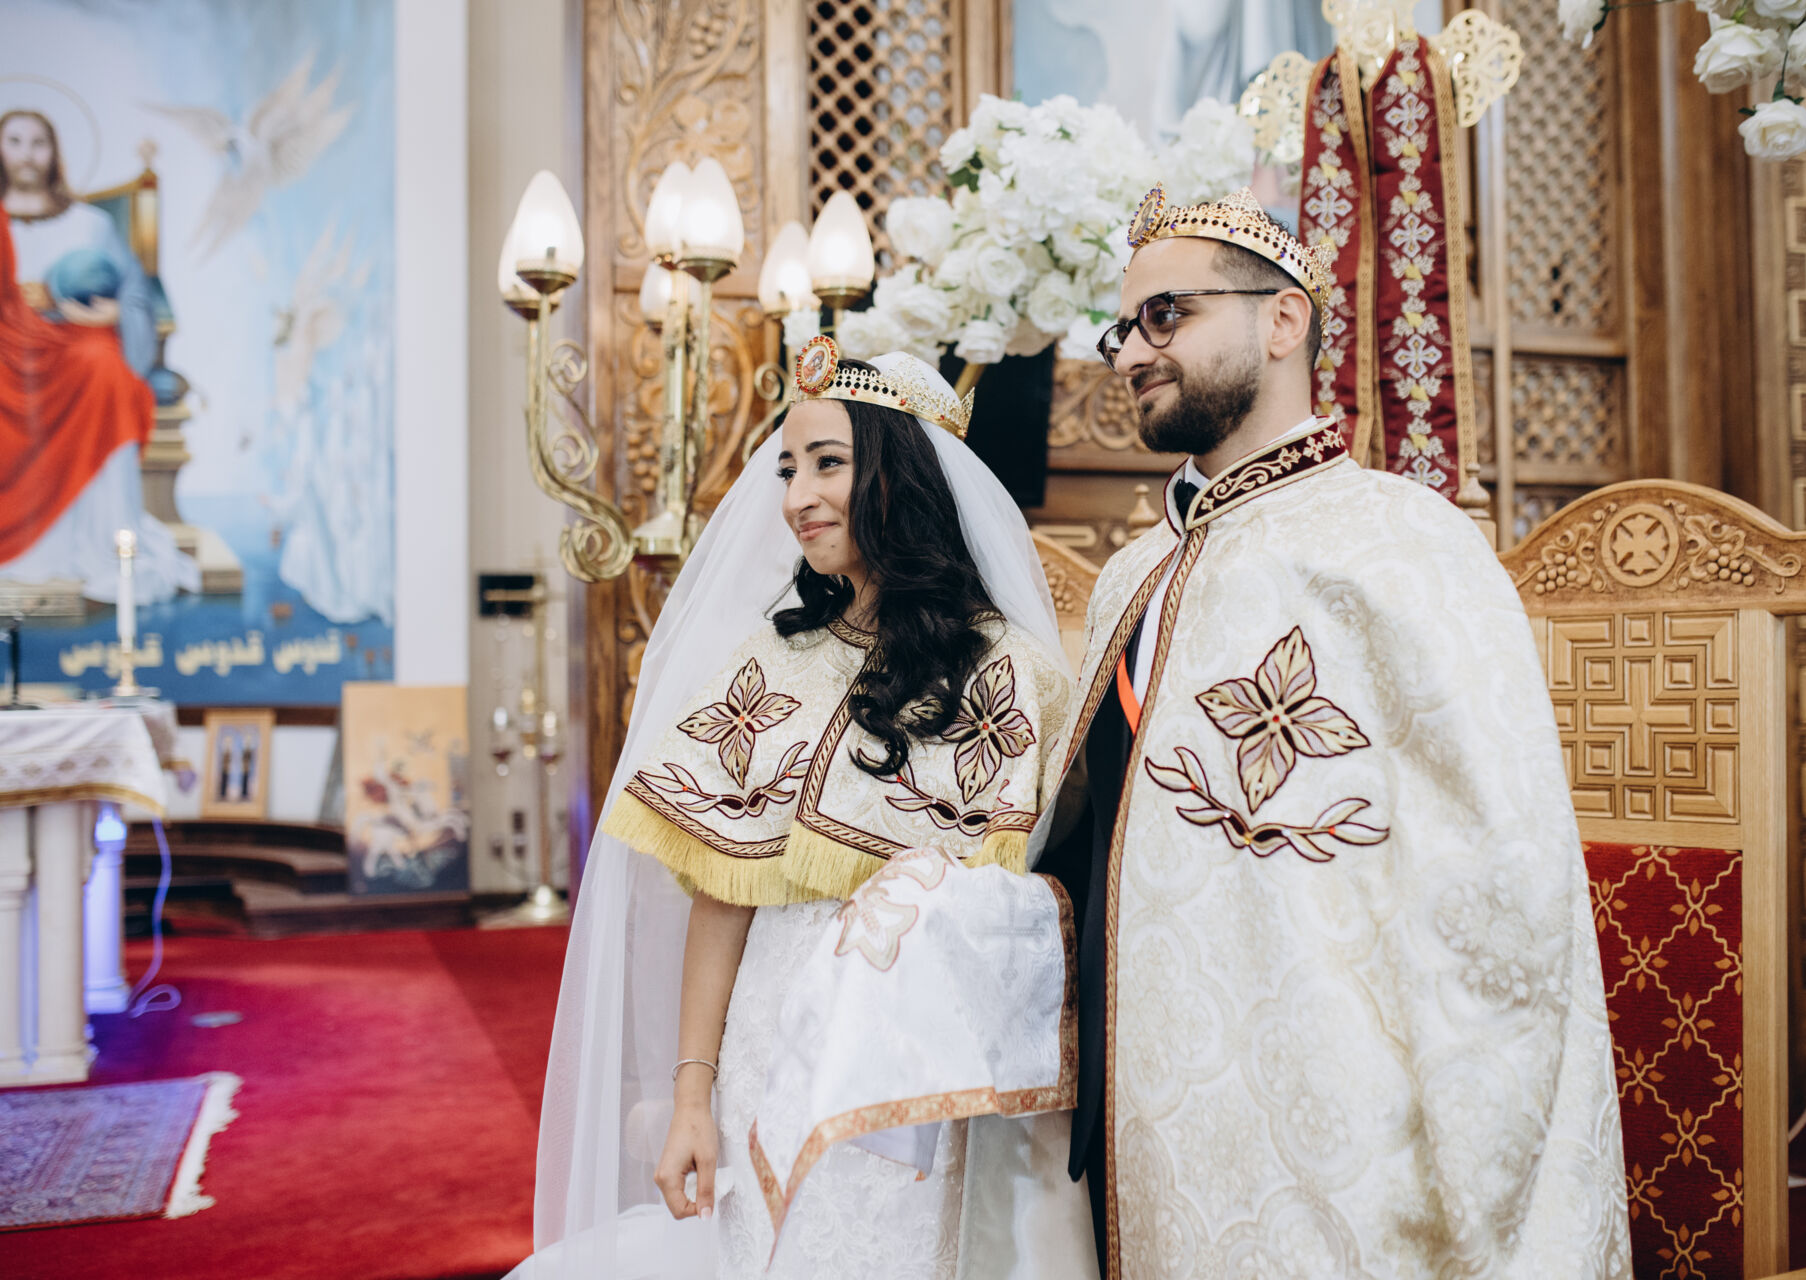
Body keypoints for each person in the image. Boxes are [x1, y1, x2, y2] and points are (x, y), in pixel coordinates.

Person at [1028, 186, 1631, 1276]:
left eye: (1166, 315)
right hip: (1139, 1124)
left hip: (1345, 1151)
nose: (1133, 353)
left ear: (1283, 320)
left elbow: (1505, 875)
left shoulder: (1402, 546)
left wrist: (1476, 1162)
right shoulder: (1132, 574)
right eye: (1124, 330)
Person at [516, 344, 1083, 1279]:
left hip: (910, 1063)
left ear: (903, 476)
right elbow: (723, 897)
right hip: (762, 1045)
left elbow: (1013, 922)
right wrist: (692, 1098)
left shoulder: (1008, 674)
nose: (796, 496)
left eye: (828, 463)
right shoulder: (769, 664)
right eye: (788, 469)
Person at [0, 109, 196, 604]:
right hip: (7, 346)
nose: (27, 154)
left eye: (38, 142)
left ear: (54, 153)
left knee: (105, 367)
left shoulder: (88, 223)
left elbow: (133, 294)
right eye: (15, 141)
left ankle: (106, 542)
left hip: (75, 342)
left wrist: (108, 312)